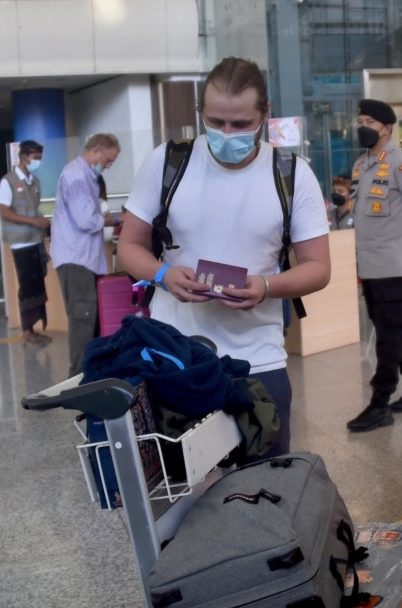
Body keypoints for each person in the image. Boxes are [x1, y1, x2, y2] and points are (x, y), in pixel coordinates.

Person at [118, 57, 332, 458]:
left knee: (267, 492)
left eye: (240, 124)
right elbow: (128, 246)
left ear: (265, 114)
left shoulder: (291, 174)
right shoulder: (167, 163)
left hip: (259, 361)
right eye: (215, 123)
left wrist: (266, 287)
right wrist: (163, 274)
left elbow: (319, 268)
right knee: (180, 497)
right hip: (176, 356)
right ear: (200, 113)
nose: (226, 134)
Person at [346, 98, 402, 432]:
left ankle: (380, 402)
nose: (363, 126)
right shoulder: (361, 165)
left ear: (387, 128)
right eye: (360, 120)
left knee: (388, 333)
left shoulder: (401, 165)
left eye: (370, 121)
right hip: (370, 264)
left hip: (395, 262)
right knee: (394, 327)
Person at [50, 133, 123, 377]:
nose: (109, 166)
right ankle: (77, 379)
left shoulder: (88, 177)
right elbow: (87, 220)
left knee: (92, 319)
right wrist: (116, 218)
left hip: (87, 259)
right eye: (108, 161)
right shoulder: (76, 175)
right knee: (83, 318)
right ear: (97, 151)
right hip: (76, 259)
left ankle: (90, 374)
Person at [0, 139, 52, 348]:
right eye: (35, 158)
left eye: (39, 158)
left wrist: (41, 221)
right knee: (27, 286)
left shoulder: (34, 182)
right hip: (20, 243)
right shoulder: (9, 181)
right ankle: (26, 331)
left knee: (38, 284)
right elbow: (5, 211)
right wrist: (32, 221)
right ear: (23, 157)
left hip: (35, 240)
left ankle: (36, 329)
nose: (37, 161)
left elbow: (33, 208)